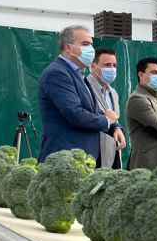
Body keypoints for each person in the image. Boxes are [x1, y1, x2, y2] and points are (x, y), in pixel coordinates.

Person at [37, 25, 125, 163]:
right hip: (65, 160)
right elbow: (74, 112)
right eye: (85, 44)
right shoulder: (57, 73)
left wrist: (114, 127)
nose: (91, 49)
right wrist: (107, 121)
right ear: (68, 47)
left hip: (82, 159)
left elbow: (92, 110)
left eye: (91, 44)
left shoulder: (78, 74)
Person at [87, 47, 122, 168]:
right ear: (93, 66)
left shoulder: (114, 93)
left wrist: (117, 128)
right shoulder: (84, 88)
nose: (112, 69)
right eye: (107, 65)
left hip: (112, 153)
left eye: (114, 65)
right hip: (91, 155)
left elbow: (114, 120)